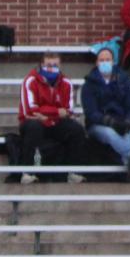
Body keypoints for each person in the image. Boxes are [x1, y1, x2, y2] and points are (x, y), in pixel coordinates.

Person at [18, 51, 87, 184]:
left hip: (55, 123)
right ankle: (28, 172)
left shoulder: (66, 83)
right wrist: (56, 111)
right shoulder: (30, 80)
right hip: (33, 122)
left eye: (55, 65)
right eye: (48, 65)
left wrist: (46, 114)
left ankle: (73, 172)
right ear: (41, 65)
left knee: (76, 130)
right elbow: (30, 111)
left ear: (60, 66)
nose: (51, 68)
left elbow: (68, 110)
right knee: (34, 127)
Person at [83, 47, 130, 174]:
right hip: (98, 125)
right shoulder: (89, 84)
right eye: (101, 60)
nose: (104, 62)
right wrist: (111, 122)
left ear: (113, 61)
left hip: (122, 123)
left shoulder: (124, 80)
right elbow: (91, 112)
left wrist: (128, 122)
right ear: (96, 63)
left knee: (125, 135)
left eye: (107, 59)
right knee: (111, 134)